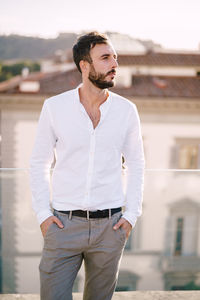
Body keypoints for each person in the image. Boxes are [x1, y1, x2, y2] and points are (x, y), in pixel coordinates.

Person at [29, 31, 145, 300]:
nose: (114, 64)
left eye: (115, 57)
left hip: (111, 228)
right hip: (62, 226)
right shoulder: (54, 107)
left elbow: (137, 163)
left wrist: (131, 216)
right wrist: (43, 215)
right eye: (105, 58)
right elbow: (39, 162)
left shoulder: (127, 111)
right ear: (84, 65)